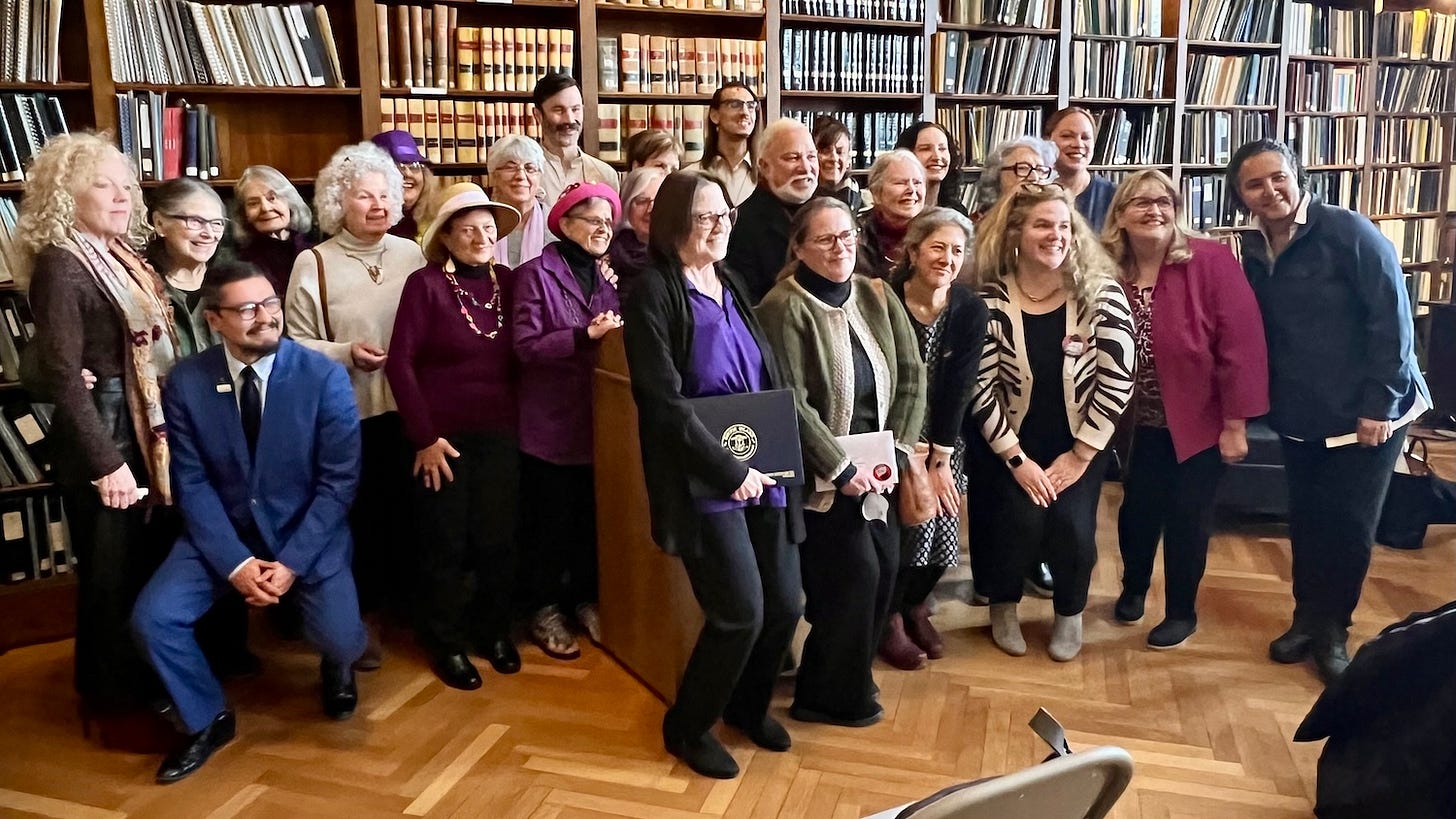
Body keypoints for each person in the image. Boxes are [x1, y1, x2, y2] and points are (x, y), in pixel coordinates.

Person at [132, 260, 367, 784]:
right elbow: (191, 482)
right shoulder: (188, 381)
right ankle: (207, 717)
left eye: (270, 303)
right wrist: (236, 563)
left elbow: (338, 484)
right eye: (247, 309)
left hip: (305, 534)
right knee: (154, 619)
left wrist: (291, 563)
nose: (265, 317)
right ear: (214, 319)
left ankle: (337, 664)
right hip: (224, 534)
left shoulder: (323, 377)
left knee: (343, 640)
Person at [622, 170, 804, 779]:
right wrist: (729, 470)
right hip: (705, 477)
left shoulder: (731, 281)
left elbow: (764, 374)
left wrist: (771, 458)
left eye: (726, 214)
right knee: (740, 612)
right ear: (675, 224)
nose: (721, 225)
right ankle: (687, 726)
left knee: (785, 603)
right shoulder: (652, 291)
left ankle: (747, 708)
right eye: (706, 217)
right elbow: (661, 402)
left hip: (762, 465)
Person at [1227, 139, 1430, 683]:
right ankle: (1306, 619)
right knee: (1309, 519)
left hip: (1368, 412)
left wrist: (1380, 404)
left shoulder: (1349, 232)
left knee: (1348, 525)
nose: (1270, 190)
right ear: (1241, 195)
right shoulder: (1253, 248)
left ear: (1298, 176)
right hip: (1303, 413)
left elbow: (1393, 320)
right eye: (1254, 184)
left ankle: (1333, 630)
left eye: (1278, 177)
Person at [20, 133, 179, 749]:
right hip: (105, 436)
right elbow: (63, 374)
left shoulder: (118, 255)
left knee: (137, 570)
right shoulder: (63, 263)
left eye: (125, 185)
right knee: (109, 579)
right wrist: (107, 463)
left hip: (138, 427)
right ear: (67, 195)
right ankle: (110, 707)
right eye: (101, 185)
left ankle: (135, 684)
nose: (121, 196)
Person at [757, 197, 926, 728]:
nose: (840, 247)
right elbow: (790, 400)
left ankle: (849, 677)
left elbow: (912, 373)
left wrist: (898, 451)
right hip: (824, 482)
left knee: (886, 572)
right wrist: (841, 468)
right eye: (826, 239)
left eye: (847, 236)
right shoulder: (783, 306)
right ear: (799, 247)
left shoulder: (877, 294)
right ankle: (825, 695)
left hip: (881, 472)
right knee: (853, 581)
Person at [1103, 170, 1270, 649]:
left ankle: (1181, 611)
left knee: (1188, 517)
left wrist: (1235, 424)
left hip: (1198, 422)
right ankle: (1133, 587)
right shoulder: (1105, 267)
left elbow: (1241, 344)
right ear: (1120, 215)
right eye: (1141, 202)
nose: (1154, 210)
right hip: (1132, 424)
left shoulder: (1210, 261)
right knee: (1137, 512)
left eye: (1164, 201)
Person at [968, 183, 1133, 662]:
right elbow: (980, 387)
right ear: (1016, 233)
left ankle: (1069, 611)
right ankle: (1002, 606)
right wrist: (1016, 460)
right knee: (1014, 522)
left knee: (1072, 527)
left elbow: (1118, 379)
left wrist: (1080, 456)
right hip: (1010, 444)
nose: (1056, 235)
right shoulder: (991, 300)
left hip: (1079, 442)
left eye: (1064, 226)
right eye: (1042, 224)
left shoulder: (1101, 295)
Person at [285, 141, 427, 662]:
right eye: (364, 195)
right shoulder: (313, 262)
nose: (379, 204)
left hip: (410, 410)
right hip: (350, 413)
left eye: (386, 194)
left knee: (407, 514)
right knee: (360, 519)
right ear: (336, 202)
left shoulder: (413, 253)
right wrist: (345, 352)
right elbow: (292, 345)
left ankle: (404, 609)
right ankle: (355, 621)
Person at [386, 185, 524, 691]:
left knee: (498, 539)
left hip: (501, 432)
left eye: (488, 228)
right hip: (441, 439)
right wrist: (424, 437)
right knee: (444, 542)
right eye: (467, 230)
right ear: (445, 236)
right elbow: (400, 364)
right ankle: (445, 642)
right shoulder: (424, 285)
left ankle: (494, 631)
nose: (480, 238)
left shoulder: (509, 281)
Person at [145, 177, 260, 677]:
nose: (208, 231)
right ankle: (175, 661)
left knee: (229, 529)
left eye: (216, 221)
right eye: (194, 220)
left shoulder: (228, 281)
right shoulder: (140, 284)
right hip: (158, 437)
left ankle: (229, 648)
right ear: (159, 222)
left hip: (226, 428)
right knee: (170, 547)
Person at [512, 181, 623, 660]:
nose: (603, 229)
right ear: (564, 223)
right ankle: (542, 609)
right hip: (549, 425)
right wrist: (581, 336)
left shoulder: (606, 278)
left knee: (588, 523)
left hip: (598, 421)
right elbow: (524, 346)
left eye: (608, 222)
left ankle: (584, 599)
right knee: (548, 526)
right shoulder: (534, 275)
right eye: (593, 220)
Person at [881, 208, 987, 670]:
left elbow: (961, 384)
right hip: (894, 434)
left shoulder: (969, 309)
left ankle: (914, 605)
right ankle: (888, 617)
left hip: (945, 439)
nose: (947, 258)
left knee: (943, 533)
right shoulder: (884, 298)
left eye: (957, 251)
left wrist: (939, 458)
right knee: (907, 532)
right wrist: (908, 448)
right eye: (938, 247)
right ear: (914, 250)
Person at [965, 136, 1063, 601]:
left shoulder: (1054, 222)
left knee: (1039, 474)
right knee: (989, 479)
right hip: (985, 363)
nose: (1030, 178)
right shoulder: (976, 226)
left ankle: (1035, 560)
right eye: (1019, 169)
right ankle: (990, 577)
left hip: (1037, 367)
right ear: (996, 178)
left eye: (1038, 169)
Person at [724, 118, 819, 304]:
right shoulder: (743, 224)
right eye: (793, 158)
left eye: (811, 157)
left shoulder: (829, 211)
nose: (805, 167)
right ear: (764, 166)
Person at [533, 73, 619, 206]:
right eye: (558, 110)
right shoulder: (526, 174)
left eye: (575, 109)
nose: (570, 119)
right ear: (538, 115)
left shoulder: (605, 175)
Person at [232, 166, 317, 300]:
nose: (265, 208)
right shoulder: (241, 264)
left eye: (272, 198)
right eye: (253, 203)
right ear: (244, 214)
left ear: (290, 202)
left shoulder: (317, 252)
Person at [856, 149, 926, 280]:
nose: (912, 190)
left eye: (917, 182)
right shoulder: (854, 234)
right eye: (900, 183)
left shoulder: (938, 231)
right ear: (876, 193)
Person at [688, 82, 760, 206]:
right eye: (735, 105)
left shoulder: (768, 177)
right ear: (714, 115)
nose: (745, 112)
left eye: (751, 106)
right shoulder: (691, 176)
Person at [1046, 107, 1116, 232]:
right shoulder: (1034, 194)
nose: (1078, 144)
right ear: (1047, 141)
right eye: (1067, 136)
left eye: (1085, 137)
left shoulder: (1114, 196)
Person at [487, 134, 551, 266]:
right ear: (493, 176)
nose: (521, 176)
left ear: (540, 176)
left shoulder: (554, 225)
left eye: (530, 168)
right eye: (510, 167)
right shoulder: (480, 223)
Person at [608, 167, 667, 302]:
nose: (651, 209)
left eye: (659, 201)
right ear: (626, 205)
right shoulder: (608, 255)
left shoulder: (681, 253)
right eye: (642, 201)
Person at [371, 129, 440, 243]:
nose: (408, 173)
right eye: (396, 166)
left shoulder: (439, 223)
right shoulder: (367, 230)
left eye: (414, 166)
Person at [970, 137, 1059, 219]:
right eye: (1023, 168)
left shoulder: (1054, 219)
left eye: (1040, 170)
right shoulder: (978, 224)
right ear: (997, 174)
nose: (1034, 177)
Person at [895, 121, 966, 214]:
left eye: (942, 149)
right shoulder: (891, 214)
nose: (937, 157)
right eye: (925, 149)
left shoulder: (957, 212)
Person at [812, 115, 862, 212]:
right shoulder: (798, 205)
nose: (834, 158)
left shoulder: (867, 206)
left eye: (839, 152)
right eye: (825, 151)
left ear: (849, 160)